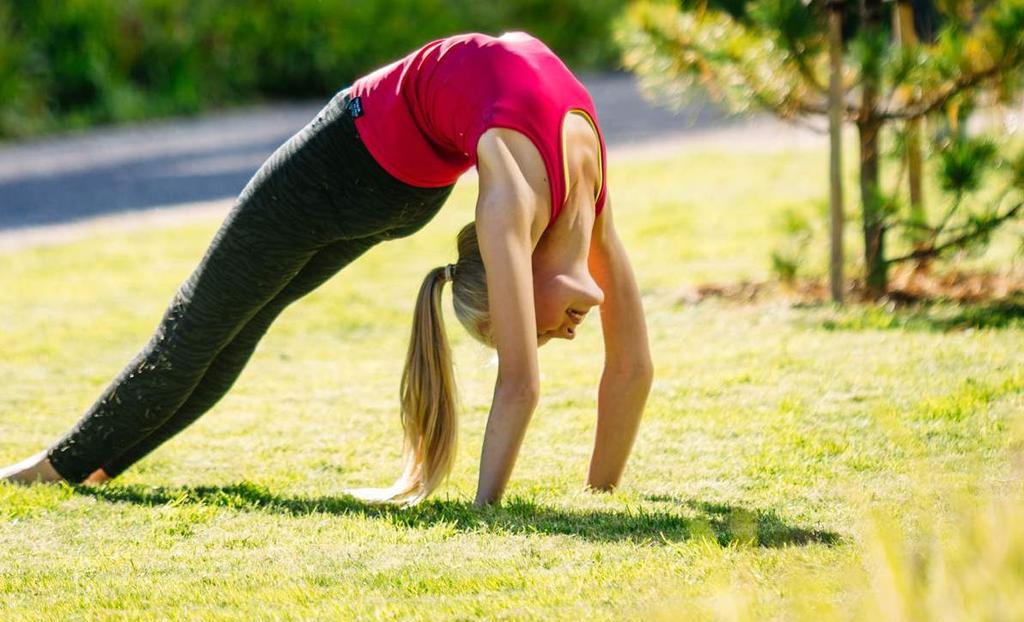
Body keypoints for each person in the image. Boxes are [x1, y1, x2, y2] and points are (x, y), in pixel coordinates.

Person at [1, 31, 653, 507]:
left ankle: (52, 472)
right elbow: (535, 379)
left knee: (201, 326)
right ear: (516, 271)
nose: (547, 339)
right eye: (526, 328)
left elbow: (615, 370)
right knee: (227, 327)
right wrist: (491, 509)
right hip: (378, 177)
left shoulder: (538, 200)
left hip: (364, 162)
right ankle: (91, 467)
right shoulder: (561, 198)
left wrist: (590, 495)